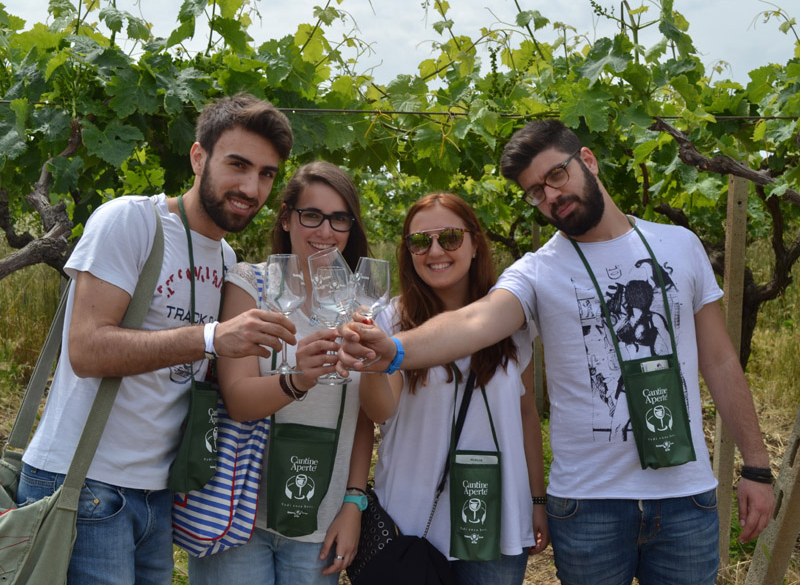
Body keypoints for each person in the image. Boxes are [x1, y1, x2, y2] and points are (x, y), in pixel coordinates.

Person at [338, 119, 776, 585]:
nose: (549, 196)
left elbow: (721, 360)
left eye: (555, 176)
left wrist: (757, 465)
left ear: (587, 160)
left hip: (687, 497)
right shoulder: (536, 271)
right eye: (534, 192)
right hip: (588, 508)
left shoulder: (679, 246)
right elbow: (476, 320)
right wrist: (396, 350)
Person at [18, 94, 296, 584]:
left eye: (267, 174)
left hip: (158, 495)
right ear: (197, 157)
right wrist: (211, 337)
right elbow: (85, 350)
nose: (252, 187)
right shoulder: (132, 222)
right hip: (83, 483)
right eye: (238, 165)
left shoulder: (228, 261)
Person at [188, 161, 374, 585]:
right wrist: (298, 379)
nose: (325, 231)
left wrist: (354, 502)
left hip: (318, 516)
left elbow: (364, 416)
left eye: (339, 218)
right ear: (287, 217)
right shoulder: (249, 284)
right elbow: (238, 400)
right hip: (239, 513)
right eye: (312, 215)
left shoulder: (363, 305)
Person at [357, 193, 549, 585]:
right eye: (419, 241)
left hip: (493, 519)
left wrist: (537, 499)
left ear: (476, 243)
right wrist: (373, 363)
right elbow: (380, 412)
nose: (434, 251)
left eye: (449, 237)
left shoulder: (512, 321)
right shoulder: (391, 320)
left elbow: (526, 415)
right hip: (411, 519)